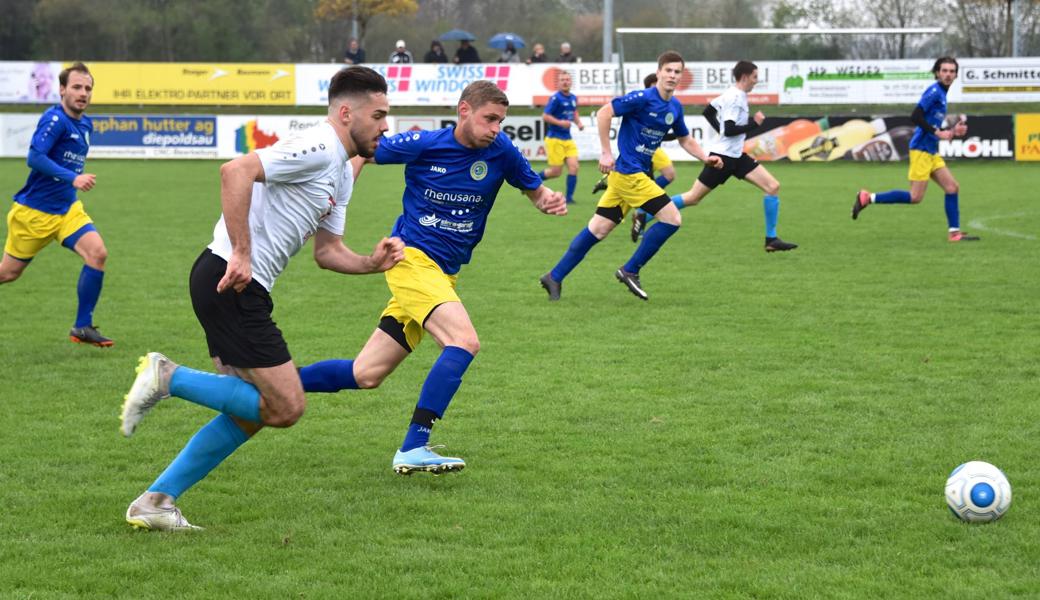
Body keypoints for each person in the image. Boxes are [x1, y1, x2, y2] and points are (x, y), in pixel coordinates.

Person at [118, 66, 405, 531]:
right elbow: (236, 171)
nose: (386, 125)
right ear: (347, 112)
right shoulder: (319, 145)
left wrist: (372, 264)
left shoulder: (342, 171)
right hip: (232, 281)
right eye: (379, 115)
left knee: (250, 410)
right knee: (286, 407)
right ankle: (168, 376)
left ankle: (154, 503)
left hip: (233, 283)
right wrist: (243, 254)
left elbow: (329, 253)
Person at [294, 81, 567, 475]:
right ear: (464, 111)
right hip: (411, 260)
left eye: (501, 121)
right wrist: (340, 191)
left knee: (365, 374)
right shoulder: (426, 144)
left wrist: (548, 200)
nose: (495, 128)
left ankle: (272, 385)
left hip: (443, 275)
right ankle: (414, 446)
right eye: (489, 118)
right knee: (464, 341)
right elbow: (364, 151)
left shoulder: (502, 151)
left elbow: (535, 191)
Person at [539, 51, 722, 302]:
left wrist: (705, 158)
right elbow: (604, 112)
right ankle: (630, 270)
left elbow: (685, 139)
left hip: (626, 176)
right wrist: (605, 153)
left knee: (599, 229)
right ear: (658, 73)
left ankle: (554, 276)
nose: (672, 75)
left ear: (681, 76)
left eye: (677, 72)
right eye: (668, 70)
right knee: (672, 218)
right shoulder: (642, 98)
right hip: (629, 173)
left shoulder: (674, 107)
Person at [1, 62, 115, 346]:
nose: (83, 93)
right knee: (8, 273)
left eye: (88, 88)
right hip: (34, 214)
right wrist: (73, 178)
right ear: (62, 89)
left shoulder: (85, 123)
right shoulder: (55, 120)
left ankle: (82, 327)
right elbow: (35, 157)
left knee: (98, 254)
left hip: (67, 210)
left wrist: (70, 184)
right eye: (77, 87)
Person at [630, 61, 798, 252]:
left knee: (772, 186)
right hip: (723, 158)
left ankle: (771, 239)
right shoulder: (735, 98)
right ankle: (645, 212)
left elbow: (708, 111)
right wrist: (755, 124)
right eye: (754, 77)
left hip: (737, 156)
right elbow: (731, 129)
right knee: (693, 198)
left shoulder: (732, 94)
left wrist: (722, 131)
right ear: (744, 76)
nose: (756, 81)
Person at [852, 56, 978, 242]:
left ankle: (955, 233)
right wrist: (939, 132)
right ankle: (868, 198)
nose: (948, 74)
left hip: (931, 150)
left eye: (951, 71)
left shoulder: (942, 95)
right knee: (915, 197)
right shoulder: (935, 92)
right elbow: (915, 116)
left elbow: (931, 125)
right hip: (921, 149)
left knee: (952, 187)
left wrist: (951, 132)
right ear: (937, 72)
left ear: (956, 75)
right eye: (944, 70)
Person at [591, 73, 677, 197]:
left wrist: (678, 135)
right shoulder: (643, 102)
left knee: (668, 174)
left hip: (653, 149)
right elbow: (605, 113)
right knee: (637, 182)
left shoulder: (669, 106)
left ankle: (613, 186)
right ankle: (643, 204)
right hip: (640, 149)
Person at [539, 71, 584, 204]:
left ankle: (569, 198)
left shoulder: (573, 98)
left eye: (567, 80)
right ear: (558, 83)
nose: (565, 82)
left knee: (574, 167)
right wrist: (561, 123)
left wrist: (579, 123)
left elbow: (574, 112)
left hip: (568, 139)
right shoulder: (555, 98)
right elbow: (545, 116)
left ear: (570, 82)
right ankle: (531, 180)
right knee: (556, 172)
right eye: (562, 80)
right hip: (554, 139)